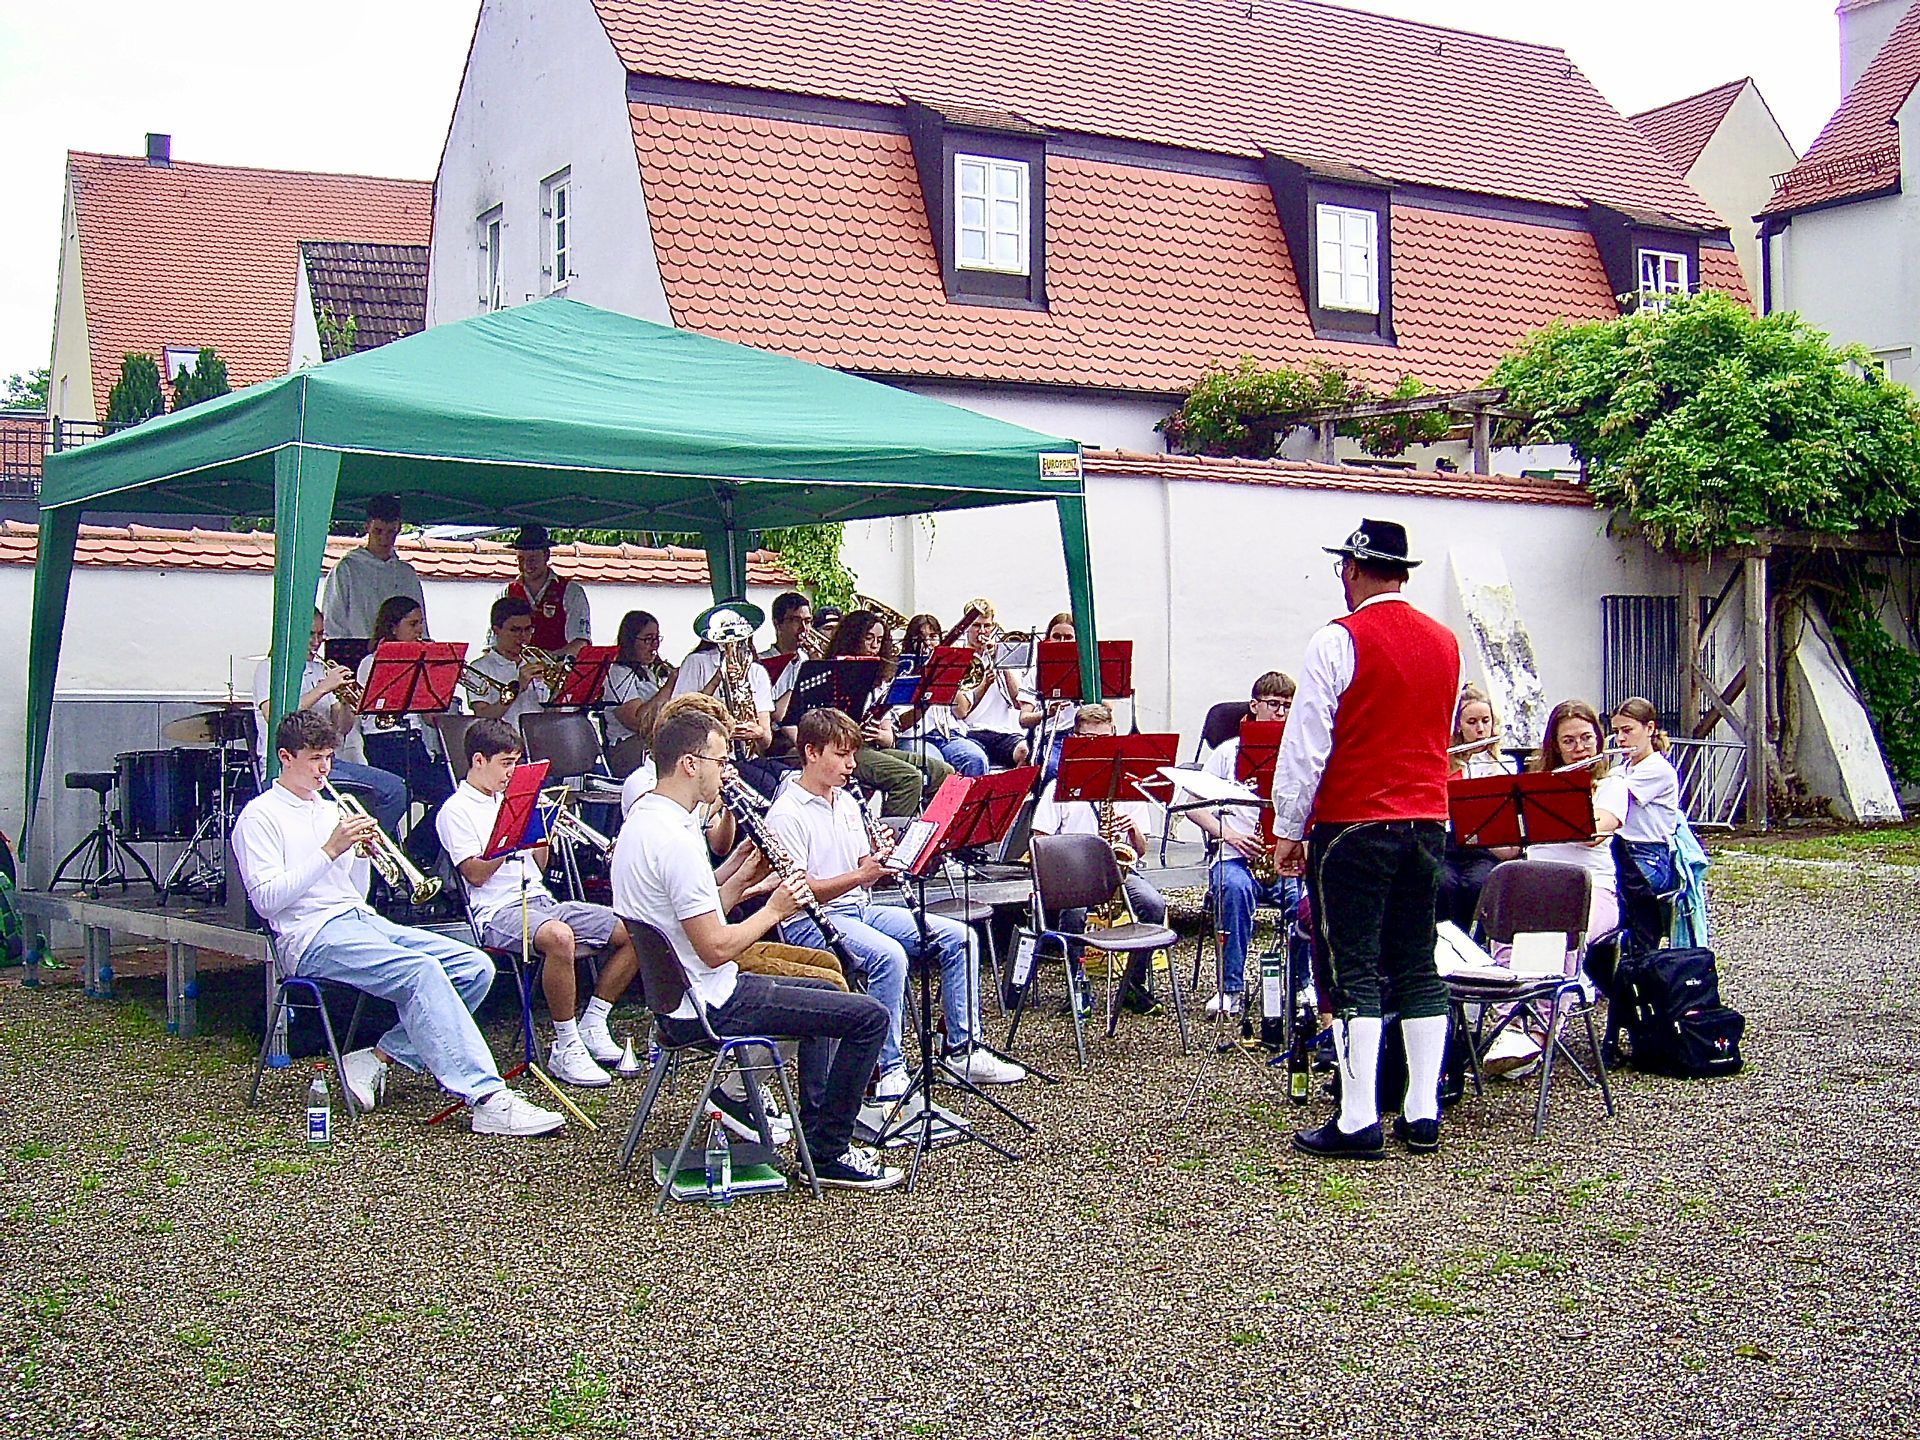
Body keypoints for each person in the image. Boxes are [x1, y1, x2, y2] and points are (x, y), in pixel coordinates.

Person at [232, 708, 563, 1136]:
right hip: (309, 936)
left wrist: (361, 857)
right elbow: (266, 901)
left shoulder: (330, 809)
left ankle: (377, 1058)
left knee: (475, 967)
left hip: (357, 918)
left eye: (329, 758)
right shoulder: (259, 816)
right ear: (285, 757)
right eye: (314, 759)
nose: (324, 769)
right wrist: (330, 851)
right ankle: (486, 1096)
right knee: (421, 972)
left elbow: (353, 892)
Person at [612, 704, 904, 1190]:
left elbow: (694, 911)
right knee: (868, 1017)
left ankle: (815, 1132)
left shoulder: (646, 822)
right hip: (711, 1000)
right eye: (721, 760)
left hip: (683, 994)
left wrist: (742, 875)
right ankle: (830, 1153)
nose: (727, 771)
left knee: (826, 993)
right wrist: (774, 908)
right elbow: (715, 947)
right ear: (690, 764)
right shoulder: (675, 840)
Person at [1271, 518, 1460, 1160]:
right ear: (1402, 572)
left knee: (1352, 965)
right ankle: (1423, 1110)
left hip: (1355, 821)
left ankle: (1358, 1118)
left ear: (1352, 569)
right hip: (1427, 819)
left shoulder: (1337, 639)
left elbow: (1306, 744)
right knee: (1416, 960)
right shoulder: (1447, 643)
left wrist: (1288, 826)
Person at [766, 708, 1025, 1092]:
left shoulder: (846, 801)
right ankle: (886, 1069)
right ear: (811, 752)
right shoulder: (787, 812)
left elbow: (861, 866)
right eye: (841, 755)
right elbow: (797, 890)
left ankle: (963, 1050)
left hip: (859, 908)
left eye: (853, 754)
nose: (852, 765)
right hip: (811, 921)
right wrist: (861, 875)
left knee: (961, 939)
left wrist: (882, 858)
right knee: (889, 956)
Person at [436, 719, 642, 1088]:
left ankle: (595, 1020)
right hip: (498, 911)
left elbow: (540, 867)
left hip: (540, 899)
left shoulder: (511, 799)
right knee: (559, 937)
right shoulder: (455, 810)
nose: (511, 773)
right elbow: (475, 875)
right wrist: (510, 834)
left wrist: (540, 831)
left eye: (515, 763)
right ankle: (566, 1044)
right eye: (505, 764)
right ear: (479, 761)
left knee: (637, 928)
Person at [1030, 703, 1168, 1013]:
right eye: (1088, 739)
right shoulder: (1059, 785)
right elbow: (1039, 840)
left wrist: (1131, 829)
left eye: (1104, 739)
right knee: (1073, 915)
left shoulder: (1128, 785)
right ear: (1076, 739)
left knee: (1154, 905)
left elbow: (1140, 850)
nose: (1097, 746)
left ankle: (1133, 985)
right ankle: (1077, 986)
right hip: (1073, 876)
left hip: (1119, 871)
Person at [1178, 671, 1301, 1015]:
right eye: (1273, 704)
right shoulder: (1228, 752)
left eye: (1287, 706)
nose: (1280, 713)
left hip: (1283, 857)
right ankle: (1230, 988)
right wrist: (1229, 833)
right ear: (1254, 705)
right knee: (1234, 890)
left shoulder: (1297, 754)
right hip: (1235, 856)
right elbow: (1191, 805)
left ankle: (1303, 985)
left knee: (1307, 903)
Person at [252, 609, 407, 837]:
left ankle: (362, 847)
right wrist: (323, 688)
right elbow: (276, 717)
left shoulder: (321, 670)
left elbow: (340, 729)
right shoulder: (270, 668)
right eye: (310, 635)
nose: (316, 642)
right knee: (359, 794)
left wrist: (346, 702)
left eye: (321, 635)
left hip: (329, 762)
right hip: (288, 764)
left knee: (395, 789)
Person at [355, 595, 456, 871]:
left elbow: (431, 720)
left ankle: (414, 851)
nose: (419, 630)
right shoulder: (371, 663)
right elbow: (375, 711)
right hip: (385, 744)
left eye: (420, 623)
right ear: (393, 627)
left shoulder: (420, 664)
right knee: (431, 792)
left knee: (455, 793)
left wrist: (441, 679)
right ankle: (410, 854)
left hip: (415, 743)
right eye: (412, 624)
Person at [821, 608, 952, 816]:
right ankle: (893, 832)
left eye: (880, 640)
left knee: (943, 771)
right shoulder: (832, 674)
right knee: (909, 778)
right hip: (846, 749)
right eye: (868, 638)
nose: (874, 646)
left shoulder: (881, 678)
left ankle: (932, 826)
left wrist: (880, 735)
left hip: (872, 747)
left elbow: (888, 738)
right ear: (853, 639)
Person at [1526, 699, 1628, 939]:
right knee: (1506, 934)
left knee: (1562, 937)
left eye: (1586, 738)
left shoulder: (1612, 785)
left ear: (1598, 740)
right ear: (1556, 747)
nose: (1580, 748)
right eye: (1568, 741)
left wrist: (1557, 797)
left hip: (1591, 889)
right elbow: (1507, 851)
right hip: (1537, 885)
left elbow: (1592, 836)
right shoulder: (1534, 788)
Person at [672, 599, 781, 798]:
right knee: (769, 788)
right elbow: (680, 715)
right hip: (710, 759)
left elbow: (766, 739)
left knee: (786, 778)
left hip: (747, 757)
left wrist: (756, 732)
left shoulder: (756, 672)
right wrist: (719, 677)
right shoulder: (697, 662)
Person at [1437, 684, 1520, 932]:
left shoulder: (1504, 764)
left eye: (1486, 721)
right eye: (1472, 722)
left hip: (1484, 846)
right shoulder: (1445, 763)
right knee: (1444, 884)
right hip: (1448, 844)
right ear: (1458, 726)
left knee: (1477, 883)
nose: (1480, 729)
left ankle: (1477, 942)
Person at [322, 495, 425, 647]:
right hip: (357, 651)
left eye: (391, 532)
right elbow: (334, 622)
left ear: (399, 529)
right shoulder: (347, 569)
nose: (384, 538)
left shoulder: (406, 573)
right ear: (367, 527)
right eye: (378, 531)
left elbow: (419, 621)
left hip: (401, 652)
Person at [895, 612, 988, 777]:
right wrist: (925, 700)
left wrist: (950, 674)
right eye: (920, 638)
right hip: (914, 737)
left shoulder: (946, 665)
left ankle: (969, 796)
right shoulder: (902, 670)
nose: (928, 643)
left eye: (933, 637)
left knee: (977, 759)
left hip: (947, 734)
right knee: (938, 767)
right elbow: (901, 723)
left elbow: (961, 712)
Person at [1610, 697, 1683, 894]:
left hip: (1650, 857)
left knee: (1615, 890)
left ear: (1649, 729)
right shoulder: (1619, 771)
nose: (1620, 739)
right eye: (1616, 732)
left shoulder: (1658, 769)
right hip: (1621, 851)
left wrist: (1595, 778)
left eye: (1627, 730)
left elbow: (1615, 795)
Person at [953, 602, 1038, 767]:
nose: (982, 631)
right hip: (970, 731)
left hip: (1004, 732)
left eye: (987, 626)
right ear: (966, 628)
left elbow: (1018, 701)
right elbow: (961, 712)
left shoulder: (1004, 653)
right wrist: (984, 685)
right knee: (975, 759)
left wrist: (1000, 661)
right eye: (976, 626)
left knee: (1027, 753)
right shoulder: (957, 658)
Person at [603, 609, 674, 777]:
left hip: (655, 740)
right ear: (630, 641)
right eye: (648, 639)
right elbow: (637, 722)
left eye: (657, 638)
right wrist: (669, 686)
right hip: (628, 747)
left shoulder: (653, 671)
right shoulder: (618, 672)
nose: (655, 645)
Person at [465, 596, 553, 730]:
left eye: (528, 629)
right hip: (500, 740)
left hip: (539, 737)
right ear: (496, 630)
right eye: (515, 630)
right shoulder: (479, 668)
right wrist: (518, 687)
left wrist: (559, 691)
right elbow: (482, 717)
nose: (523, 636)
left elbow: (552, 713)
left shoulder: (539, 663)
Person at [502, 524, 590, 657]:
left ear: (547, 556)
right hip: (513, 668)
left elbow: (580, 642)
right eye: (520, 559)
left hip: (557, 668)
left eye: (532, 559)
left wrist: (549, 659)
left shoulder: (571, 592)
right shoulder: (507, 592)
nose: (526, 565)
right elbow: (494, 640)